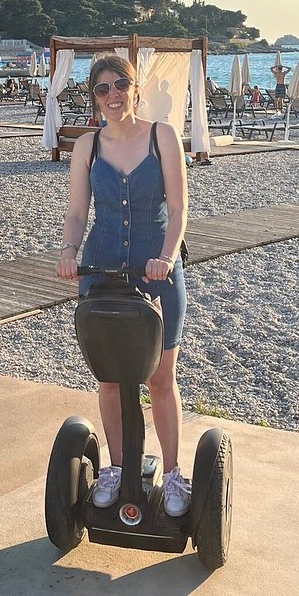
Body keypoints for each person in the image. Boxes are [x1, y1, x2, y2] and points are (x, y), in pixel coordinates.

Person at [56, 54, 191, 518]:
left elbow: (178, 211)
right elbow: (77, 213)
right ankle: (115, 468)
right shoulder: (86, 147)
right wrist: (69, 252)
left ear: (136, 89)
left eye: (121, 85)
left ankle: (173, 473)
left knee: (159, 378)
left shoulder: (162, 136)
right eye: (102, 88)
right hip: (102, 271)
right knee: (111, 379)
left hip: (157, 270)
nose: (113, 95)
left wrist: (167, 258)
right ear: (94, 98)